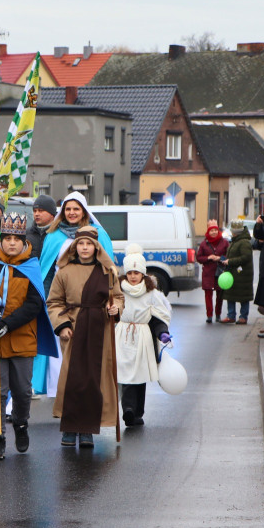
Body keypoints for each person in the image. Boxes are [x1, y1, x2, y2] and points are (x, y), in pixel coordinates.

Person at [0, 213, 57, 460]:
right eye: (7, 238)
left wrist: (9, 323)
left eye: (17, 238)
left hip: (22, 336)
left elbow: (34, 304)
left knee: (22, 390)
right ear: (0, 239)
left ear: (24, 240)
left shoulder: (30, 266)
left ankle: (21, 424)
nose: (12, 243)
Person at [46, 226, 124, 448]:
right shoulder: (64, 272)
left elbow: (118, 297)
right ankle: (70, 427)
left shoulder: (108, 272)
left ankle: (88, 429)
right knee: (74, 377)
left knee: (93, 377)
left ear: (96, 246)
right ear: (75, 246)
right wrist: (61, 325)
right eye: (81, 244)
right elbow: (54, 302)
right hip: (73, 327)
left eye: (89, 244)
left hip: (99, 329)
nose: (85, 248)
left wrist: (115, 308)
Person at [115, 244, 172, 427]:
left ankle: (138, 412)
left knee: (139, 375)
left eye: (136, 273)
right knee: (126, 374)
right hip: (122, 336)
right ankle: (129, 410)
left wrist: (162, 333)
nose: (132, 276)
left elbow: (158, 317)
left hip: (142, 337)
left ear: (143, 274)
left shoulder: (151, 293)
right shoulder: (118, 290)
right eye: (130, 272)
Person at [38, 191, 114, 294]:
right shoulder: (53, 236)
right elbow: (47, 272)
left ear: (84, 212)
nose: (71, 213)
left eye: (76, 209)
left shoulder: (98, 234)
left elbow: (107, 269)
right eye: (68, 209)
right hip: (60, 295)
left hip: (90, 295)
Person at [221, 218, 254, 324]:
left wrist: (230, 261)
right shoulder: (236, 241)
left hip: (242, 274)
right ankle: (231, 315)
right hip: (234, 273)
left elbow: (246, 257)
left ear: (236, 232)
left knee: (243, 296)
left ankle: (243, 317)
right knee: (230, 294)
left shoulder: (244, 242)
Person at [195, 220, 228, 323]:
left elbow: (229, 256)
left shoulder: (224, 242)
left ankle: (218, 314)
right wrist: (208, 257)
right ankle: (209, 315)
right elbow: (199, 258)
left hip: (220, 272)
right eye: (211, 230)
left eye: (215, 230)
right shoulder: (204, 244)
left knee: (220, 294)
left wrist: (220, 258)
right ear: (208, 232)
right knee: (208, 294)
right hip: (208, 273)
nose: (213, 232)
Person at [26, 195, 57, 259]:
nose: (36, 214)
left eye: (41, 211)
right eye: (35, 211)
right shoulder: (27, 233)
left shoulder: (58, 234)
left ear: (52, 214)